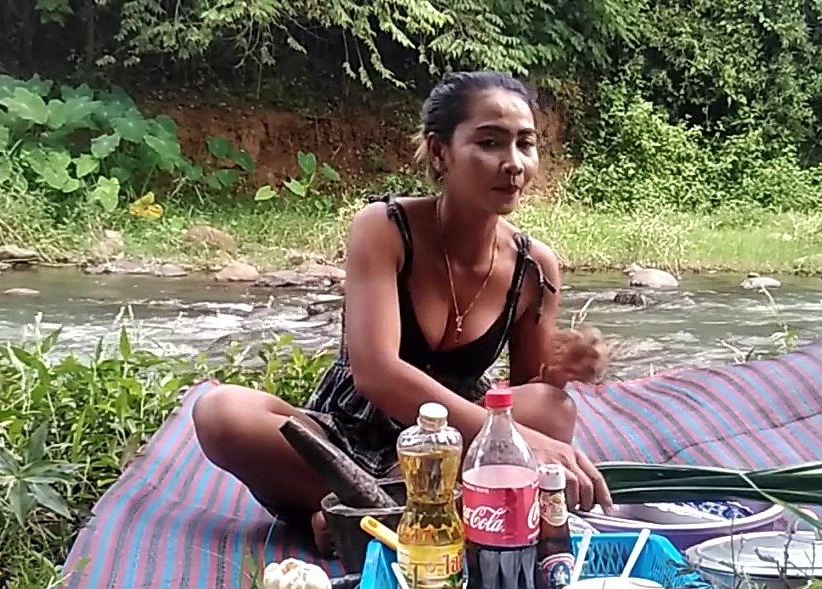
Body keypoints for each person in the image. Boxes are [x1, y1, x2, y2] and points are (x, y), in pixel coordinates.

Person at [194, 70, 614, 554]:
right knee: (221, 412)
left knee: (552, 408)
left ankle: (365, 515)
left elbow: (523, 393)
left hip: (454, 447)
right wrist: (517, 438)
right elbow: (377, 373)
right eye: (490, 143)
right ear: (440, 153)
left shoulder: (534, 267)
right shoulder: (386, 228)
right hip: (347, 438)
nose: (513, 163)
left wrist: (559, 374)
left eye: (525, 144)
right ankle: (408, 512)